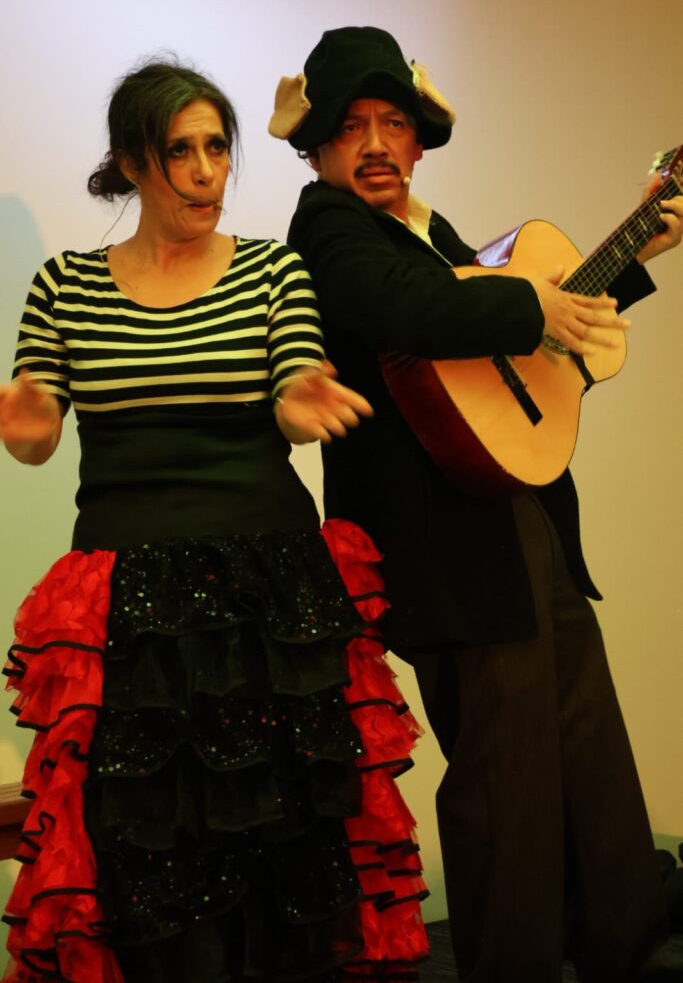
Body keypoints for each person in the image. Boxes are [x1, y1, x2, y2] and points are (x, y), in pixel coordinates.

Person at [0, 58, 431, 983]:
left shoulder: (272, 268)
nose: (205, 172)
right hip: (132, 608)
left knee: (287, 847)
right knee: (149, 857)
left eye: (217, 148)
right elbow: (33, 435)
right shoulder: (65, 285)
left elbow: (294, 384)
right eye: (179, 152)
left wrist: (300, 396)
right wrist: (24, 414)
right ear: (131, 163)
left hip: (266, 597)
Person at [269, 26, 683, 982]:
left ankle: (619, 939)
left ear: (418, 140)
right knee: (506, 775)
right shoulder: (328, 229)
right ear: (318, 148)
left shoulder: (429, 231)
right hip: (443, 542)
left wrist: (636, 246)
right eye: (351, 127)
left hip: (516, 511)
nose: (376, 144)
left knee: (582, 735)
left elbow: (512, 345)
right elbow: (415, 313)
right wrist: (533, 306)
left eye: (393, 123)